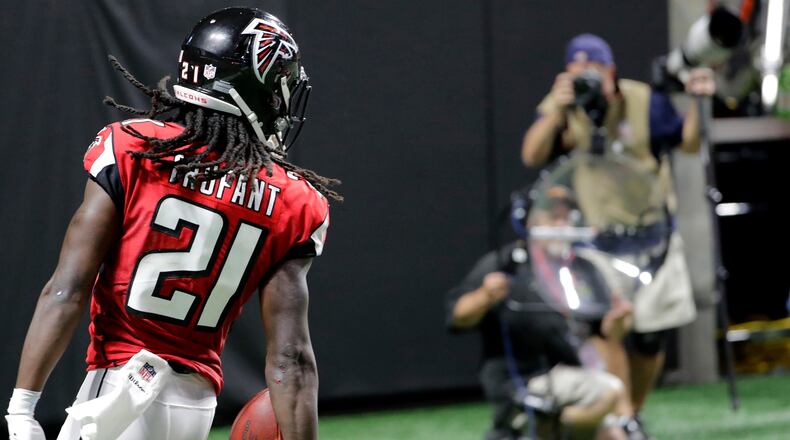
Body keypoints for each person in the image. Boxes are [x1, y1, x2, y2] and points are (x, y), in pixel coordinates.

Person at [5, 7, 341, 440]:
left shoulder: (132, 149)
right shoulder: (296, 200)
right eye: (277, 90)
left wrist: (22, 408)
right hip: (195, 406)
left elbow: (66, 289)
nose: (280, 104)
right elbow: (291, 358)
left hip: (118, 397)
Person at [520, 33, 715, 434]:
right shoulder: (565, 106)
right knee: (605, 328)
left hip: (651, 235)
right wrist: (557, 110)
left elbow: (690, 144)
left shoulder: (643, 102)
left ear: (611, 71)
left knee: (649, 341)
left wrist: (699, 100)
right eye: (576, 72)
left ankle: (632, 412)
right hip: (598, 239)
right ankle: (622, 418)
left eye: (592, 71)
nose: (585, 80)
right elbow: (532, 155)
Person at [447, 195, 634, 440]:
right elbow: (456, 317)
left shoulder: (581, 269)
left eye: (566, 216)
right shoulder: (506, 263)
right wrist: (484, 296)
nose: (561, 224)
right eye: (553, 216)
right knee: (608, 391)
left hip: (573, 373)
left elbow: (603, 338)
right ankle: (544, 427)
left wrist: (617, 328)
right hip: (523, 380)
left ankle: (545, 429)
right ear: (530, 221)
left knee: (613, 432)